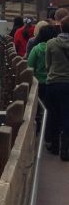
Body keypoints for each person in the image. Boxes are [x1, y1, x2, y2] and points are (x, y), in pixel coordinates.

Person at [28, 23, 58, 151]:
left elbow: (29, 66)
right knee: (51, 110)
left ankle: (37, 131)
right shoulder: (55, 48)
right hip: (52, 83)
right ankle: (49, 136)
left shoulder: (36, 49)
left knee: (37, 110)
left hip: (38, 83)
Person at [45, 17, 69, 160]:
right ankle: (65, 149)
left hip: (54, 83)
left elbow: (48, 65)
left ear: (60, 27)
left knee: (53, 114)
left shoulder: (51, 43)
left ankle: (54, 145)